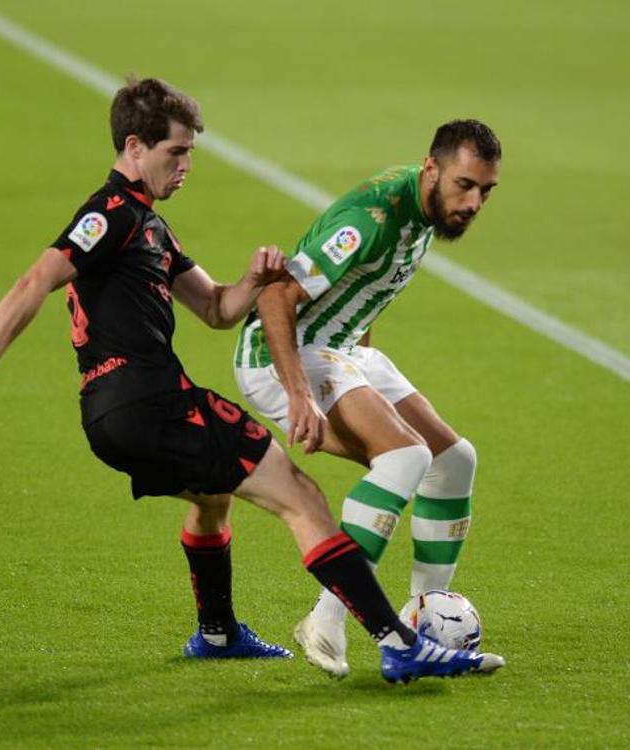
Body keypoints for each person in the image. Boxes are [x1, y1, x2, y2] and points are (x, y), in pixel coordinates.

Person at [0, 79, 503, 682]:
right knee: (304, 498)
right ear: (134, 146)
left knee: (213, 498)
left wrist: (255, 279)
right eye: (176, 153)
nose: (186, 167)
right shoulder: (110, 213)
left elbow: (216, 309)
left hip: (108, 416)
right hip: (151, 401)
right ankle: (396, 639)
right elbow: (34, 282)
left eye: (190, 154)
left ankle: (219, 632)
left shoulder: (152, 229)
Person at [233, 120, 502, 677]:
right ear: (431, 168)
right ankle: (326, 618)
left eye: (485, 191)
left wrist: (363, 378)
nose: (473, 202)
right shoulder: (371, 221)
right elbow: (276, 295)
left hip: (342, 348)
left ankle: (420, 626)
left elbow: (365, 292)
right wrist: (302, 396)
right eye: (465, 185)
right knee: (405, 457)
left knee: (454, 461)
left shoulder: (428, 210)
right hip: (287, 354)